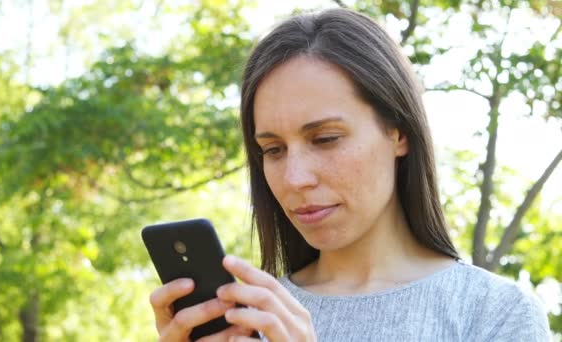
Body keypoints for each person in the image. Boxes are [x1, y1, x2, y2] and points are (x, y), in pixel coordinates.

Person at [149, 8, 550, 341]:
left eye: (325, 139)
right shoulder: (251, 320)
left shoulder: (494, 314)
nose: (294, 178)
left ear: (399, 132)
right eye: (273, 149)